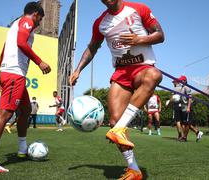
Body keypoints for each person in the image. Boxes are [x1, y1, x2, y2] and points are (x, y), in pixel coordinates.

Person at [69, 0, 164, 179]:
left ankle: (120, 129)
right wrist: (78, 69)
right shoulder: (100, 23)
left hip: (142, 68)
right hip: (121, 74)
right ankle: (134, 169)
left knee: (154, 75)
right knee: (114, 122)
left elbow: (160, 35)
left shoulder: (138, 8)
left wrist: (140, 39)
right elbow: (92, 47)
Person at [0, 2, 51, 173]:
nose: (39, 22)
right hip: (14, 74)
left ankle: (22, 149)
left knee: (25, 110)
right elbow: (21, 43)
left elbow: (3, 50)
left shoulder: (15, 25)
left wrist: (0, 73)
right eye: (40, 18)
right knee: (5, 113)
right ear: (35, 14)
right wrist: (39, 62)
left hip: (11, 73)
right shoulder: (27, 21)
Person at [172, 76, 203, 142]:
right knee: (184, 123)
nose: (180, 82)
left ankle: (184, 137)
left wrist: (188, 107)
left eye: (181, 80)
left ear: (184, 81)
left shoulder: (187, 87)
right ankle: (197, 132)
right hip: (183, 107)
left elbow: (190, 98)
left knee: (187, 123)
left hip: (187, 107)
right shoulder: (182, 87)